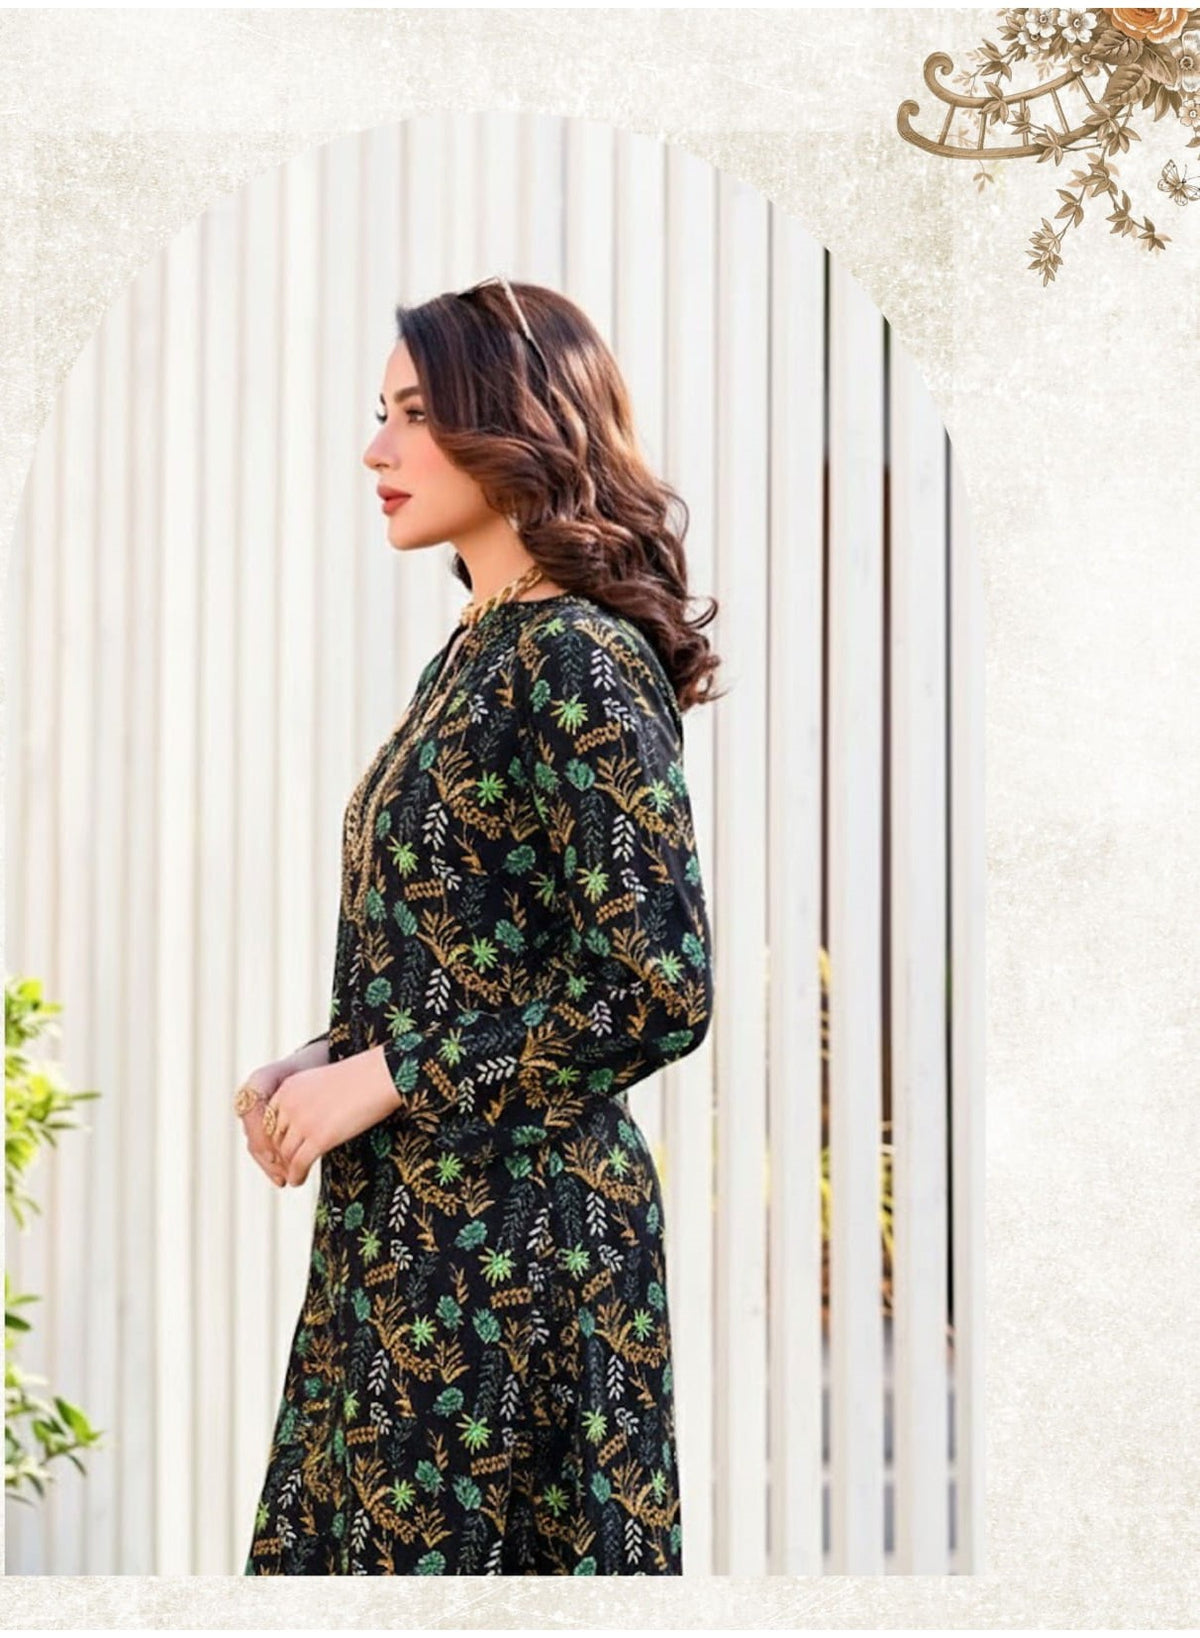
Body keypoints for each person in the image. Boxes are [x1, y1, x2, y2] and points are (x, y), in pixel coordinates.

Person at [238, 276, 722, 1575]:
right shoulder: (474, 653)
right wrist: (321, 1059)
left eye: (414, 414)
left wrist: (386, 1076)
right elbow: (475, 963)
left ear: (514, 426)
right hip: (407, 1256)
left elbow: (657, 989)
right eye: (381, 413)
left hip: (518, 1269)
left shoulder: (577, 655)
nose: (376, 449)